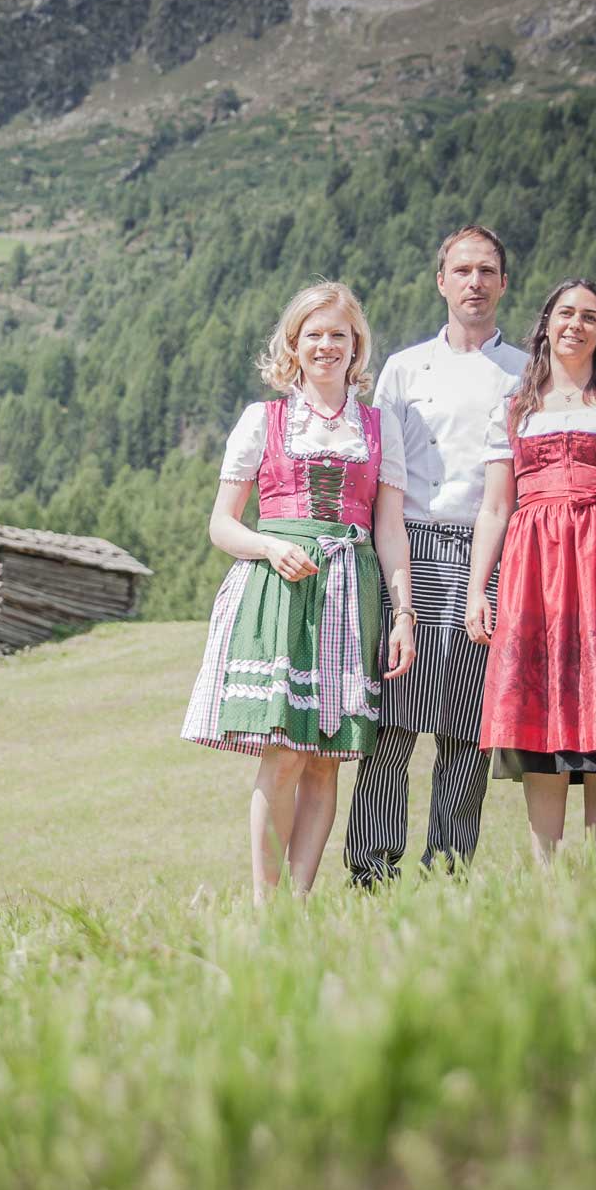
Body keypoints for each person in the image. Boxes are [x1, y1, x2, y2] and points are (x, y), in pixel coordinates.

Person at [183, 280, 417, 901]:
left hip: (353, 593)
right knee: (284, 754)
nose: (326, 345)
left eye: (339, 334)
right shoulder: (263, 420)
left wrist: (403, 614)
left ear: (356, 344)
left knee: (326, 759)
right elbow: (221, 524)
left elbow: (389, 528)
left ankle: (299, 904)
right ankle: (266, 909)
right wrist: (269, 545)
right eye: (314, 334)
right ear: (294, 343)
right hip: (282, 591)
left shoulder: (377, 425)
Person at [344, 225, 527, 886]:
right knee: (395, 721)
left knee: (466, 726)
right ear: (441, 281)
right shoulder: (404, 367)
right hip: (412, 543)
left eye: (487, 270)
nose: (475, 281)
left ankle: (448, 869)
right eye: (462, 270)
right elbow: (383, 475)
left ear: (504, 283)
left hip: (490, 554)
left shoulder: (524, 371)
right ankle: (371, 869)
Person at [465, 280, 596, 862]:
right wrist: (479, 589)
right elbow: (495, 507)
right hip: (534, 571)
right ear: (546, 323)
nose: (576, 326)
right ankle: (547, 877)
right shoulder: (514, 409)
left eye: (590, 317)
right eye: (566, 314)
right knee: (540, 711)